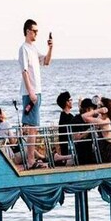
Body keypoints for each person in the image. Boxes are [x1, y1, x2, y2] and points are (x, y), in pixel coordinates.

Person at [18, 19, 53, 168]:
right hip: (30, 92)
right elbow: (24, 71)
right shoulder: (24, 48)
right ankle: (30, 159)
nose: (36, 33)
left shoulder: (33, 48)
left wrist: (50, 48)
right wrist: (31, 91)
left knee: (34, 127)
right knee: (31, 127)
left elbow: (46, 62)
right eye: (34, 31)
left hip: (37, 92)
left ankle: (31, 157)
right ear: (27, 31)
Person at [56, 91, 75, 156]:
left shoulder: (64, 116)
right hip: (68, 147)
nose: (72, 102)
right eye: (71, 100)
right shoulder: (67, 117)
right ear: (67, 102)